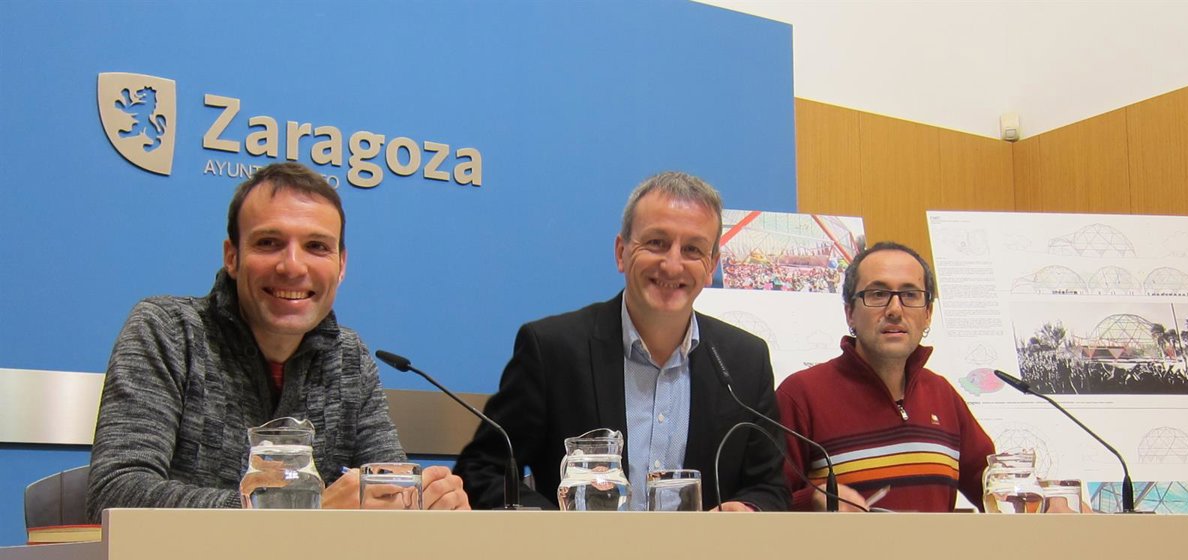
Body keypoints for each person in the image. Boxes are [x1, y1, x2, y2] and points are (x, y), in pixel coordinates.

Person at [86, 162, 469, 519]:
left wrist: (420, 503)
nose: (292, 266)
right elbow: (115, 495)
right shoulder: (166, 330)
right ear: (232, 257)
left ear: (341, 265)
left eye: (317, 246)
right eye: (269, 242)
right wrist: (309, 510)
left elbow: (387, 490)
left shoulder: (349, 357)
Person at [454, 171, 788, 511]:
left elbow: (770, 488)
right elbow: (482, 471)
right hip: (577, 547)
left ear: (711, 266)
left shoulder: (746, 362)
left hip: (706, 549)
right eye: (656, 242)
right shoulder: (552, 350)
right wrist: (555, 527)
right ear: (621, 252)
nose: (672, 265)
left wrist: (749, 509)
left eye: (692, 249)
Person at [775, 241, 994, 512]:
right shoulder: (801, 395)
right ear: (850, 313)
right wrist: (815, 501)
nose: (895, 310)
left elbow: (995, 487)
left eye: (910, 295)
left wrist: (1033, 493)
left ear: (927, 314)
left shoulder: (942, 394)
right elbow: (765, 504)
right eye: (878, 294)